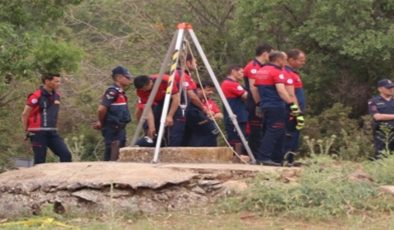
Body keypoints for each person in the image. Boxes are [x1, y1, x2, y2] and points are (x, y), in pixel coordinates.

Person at [254, 51, 298, 166]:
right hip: (276, 105)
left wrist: (258, 104)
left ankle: (277, 158)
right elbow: (281, 90)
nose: (286, 62)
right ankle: (264, 157)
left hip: (265, 105)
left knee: (273, 130)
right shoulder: (277, 72)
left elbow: (256, 90)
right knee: (274, 130)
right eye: (285, 59)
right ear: (279, 60)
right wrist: (291, 104)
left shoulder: (260, 71)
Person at [21, 73, 72, 164]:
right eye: (56, 81)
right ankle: (36, 178)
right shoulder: (36, 96)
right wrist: (26, 130)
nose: (59, 83)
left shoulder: (57, 95)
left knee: (66, 154)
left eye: (59, 81)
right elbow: (25, 114)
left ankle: (62, 177)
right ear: (47, 81)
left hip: (52, 131)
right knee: (40, 160)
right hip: (37, 132)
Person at [176, 54, 218, 146]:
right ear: (188, 63)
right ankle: (206, 156)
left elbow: (193, 94)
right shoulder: (182, 75)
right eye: (195, 62)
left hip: (188, 110)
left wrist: (202, 94)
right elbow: (191, 96)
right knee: (212, 130)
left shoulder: (186, 75)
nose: (196, 64)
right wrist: (204, 109)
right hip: (190, 110)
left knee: (189, 135)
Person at [93, 66, 133, 161]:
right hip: (113, 128)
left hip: (120, 128)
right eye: (127, 77)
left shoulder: (120, 93)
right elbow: (101, 109)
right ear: (118, 78)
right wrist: (101, 122)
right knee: (112, 152)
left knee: (118, 153)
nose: (129, 80)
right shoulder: (112, 91)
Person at [133, 74, 180, 146]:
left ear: (149, 83)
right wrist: (152, 127)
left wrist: (170, 116)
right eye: (141, 89)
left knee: (175, 124)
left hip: (175, 99)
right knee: (153, 123)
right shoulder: (140, 91)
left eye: (144, 88)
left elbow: (176, 98)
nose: (143, 91)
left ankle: (173, 146)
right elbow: (148, 109)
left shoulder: (165, 80)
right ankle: (156, 142)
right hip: (160, 102)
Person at [243, 43, 273, 154]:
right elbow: (253, 88)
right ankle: (255, 154)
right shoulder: (253, 66)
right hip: (255, 103)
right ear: (265, 54)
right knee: (256, 130)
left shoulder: (263, 67)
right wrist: (259, 104)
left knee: (263, 129)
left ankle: (262, 153)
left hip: (263, 102)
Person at [283, 49, 306, 163]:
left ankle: (292, 157)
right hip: (292, 110)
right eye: (301, 60)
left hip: (299, 110)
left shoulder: (293, 73)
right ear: (291, 60)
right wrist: (296, 110)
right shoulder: (286, 73)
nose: (303, 63)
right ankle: (286, 159)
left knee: (296, 132)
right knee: (290, 133)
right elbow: (290, 94)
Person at [221, 65, 249, 156]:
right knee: (236, 138)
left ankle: (238, 155)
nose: (242, 74)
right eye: (241, 72)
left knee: (241, 137)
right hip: (235, 115)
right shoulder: (230, 84)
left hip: (239, 114)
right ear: (233, 71)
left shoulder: (235, 84)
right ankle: (236, 156)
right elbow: (246, 96)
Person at [368, 79, 394, 159]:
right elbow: (377, 116)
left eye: (392, 87)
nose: (391, 89)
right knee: (381, 156)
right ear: (380, 89)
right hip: (381, 133)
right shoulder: (374, 101)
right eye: (388, 88)